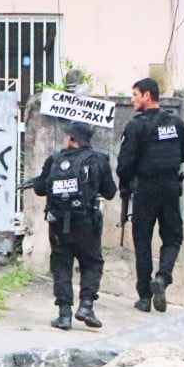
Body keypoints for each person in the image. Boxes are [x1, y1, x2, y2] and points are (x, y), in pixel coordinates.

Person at [32, 121, 117, 330]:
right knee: (92, 263)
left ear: (73, 139)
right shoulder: (98, 160)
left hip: (58, 222)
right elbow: (110, 192)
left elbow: (41, 188)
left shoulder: (54, 160)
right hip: (86, 222)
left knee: (61, 265)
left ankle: (64, 314)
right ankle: (86, 306)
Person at [116, 78, 184, 313]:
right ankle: (163, 277)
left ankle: (145, 297)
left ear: (148, 95)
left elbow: (124, 164)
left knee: (142, 241)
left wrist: (127, 183)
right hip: (169, 188)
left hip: (145, 189)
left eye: (136, 94)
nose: (133, 99)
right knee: (173, 238)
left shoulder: (136, 126)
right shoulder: (176, 123)